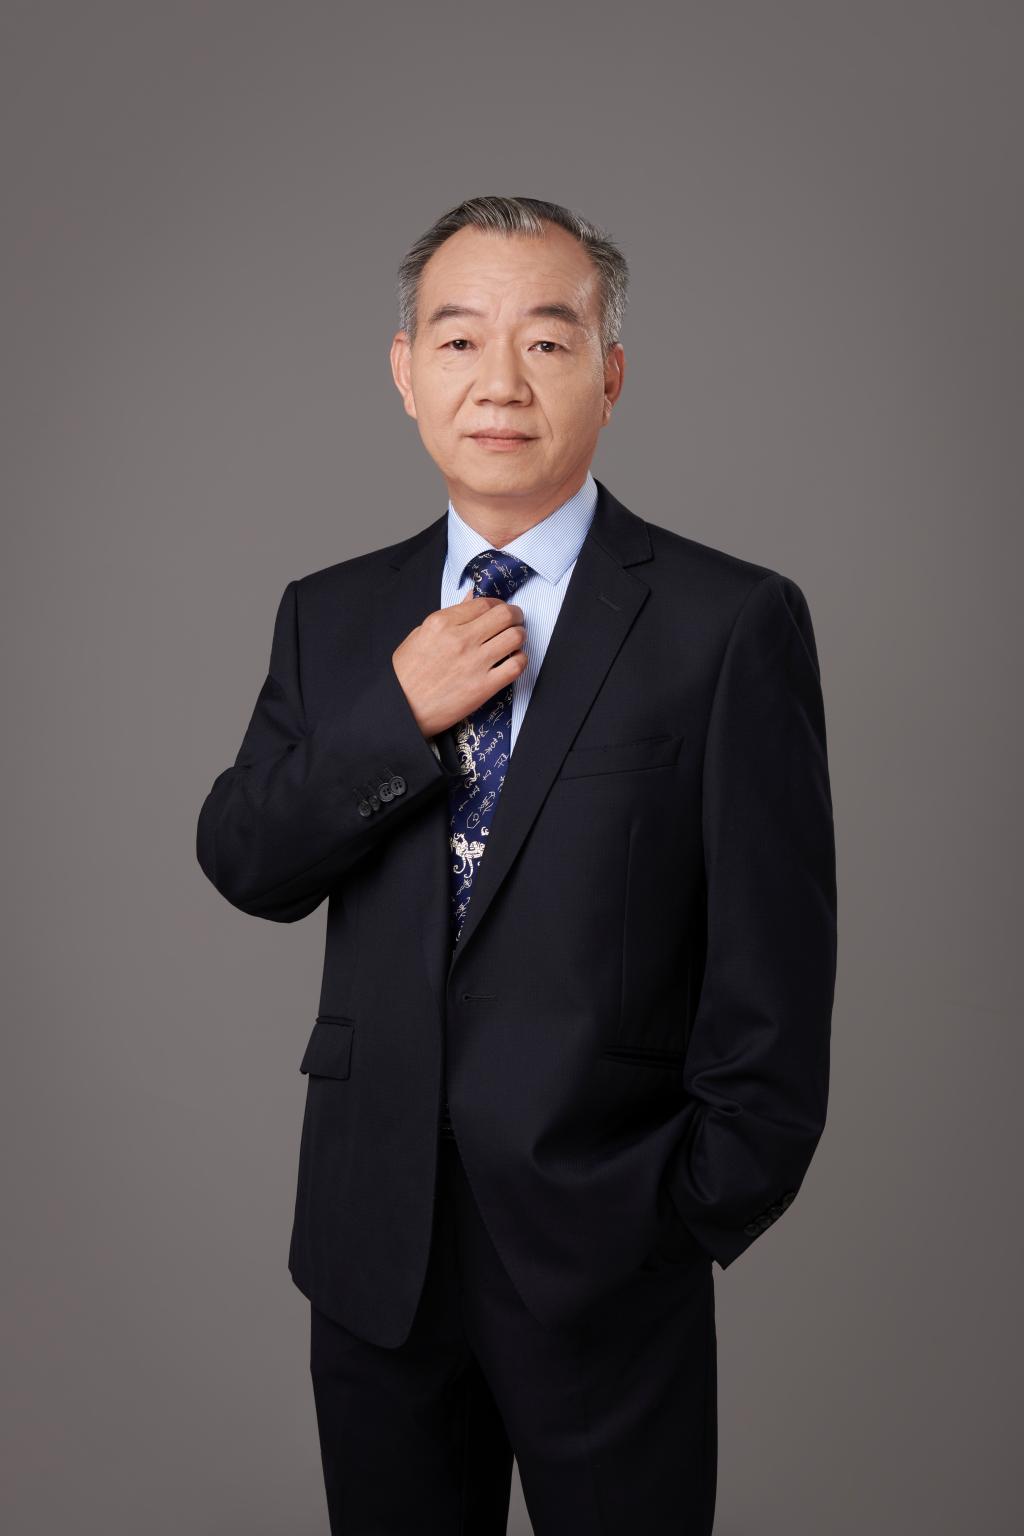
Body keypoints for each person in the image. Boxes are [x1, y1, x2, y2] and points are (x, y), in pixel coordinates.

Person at [196, 194, 837, 1534]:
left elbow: (776, 969)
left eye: (547, 342)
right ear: (404, 371)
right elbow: (248, 858)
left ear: (611, 373)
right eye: (458, 340)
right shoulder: (334, 616)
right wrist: (394, 714)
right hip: (373, 1253)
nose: (499, 382)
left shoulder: (728, 624)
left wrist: (689, 1214)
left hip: (610, 1255)